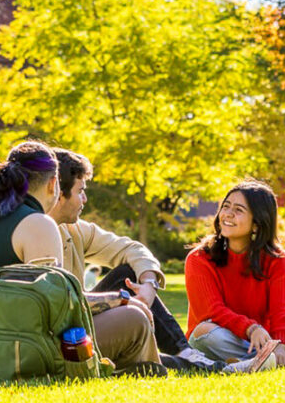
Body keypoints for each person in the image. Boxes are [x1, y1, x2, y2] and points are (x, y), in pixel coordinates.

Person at [0, 141, 165, 375]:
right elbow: (61, 311)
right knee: (135, 318)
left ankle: (130, 373)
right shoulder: (38, 224)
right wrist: (121, 298)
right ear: (53, 184)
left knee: (130, 312)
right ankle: (146, 374)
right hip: (14, 355)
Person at [50, 149, 223, 372]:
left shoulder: (73, 229)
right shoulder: (34, 234)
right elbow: (59, 302)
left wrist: (149, 284)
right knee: (148, 352)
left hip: (79, 322)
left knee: (126, 275)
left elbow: (131, 248)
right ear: (57, 193)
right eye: (80, 191)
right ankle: (202, 365)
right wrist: (121, 299)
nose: (85, 199)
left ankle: (186, 352)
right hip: (63, 337)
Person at [184, 179, 285, 371]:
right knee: (204, 333)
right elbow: (212, 311)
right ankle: (270, 362)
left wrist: (281, 345)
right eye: (226, 207)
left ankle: (256, 362)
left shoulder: (277, 259)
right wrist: (252, 329)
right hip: (224, 338)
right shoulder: (199, 258)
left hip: (265, 340)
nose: (228, 214)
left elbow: (282, 312)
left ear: (257, 224)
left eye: (239, 210)